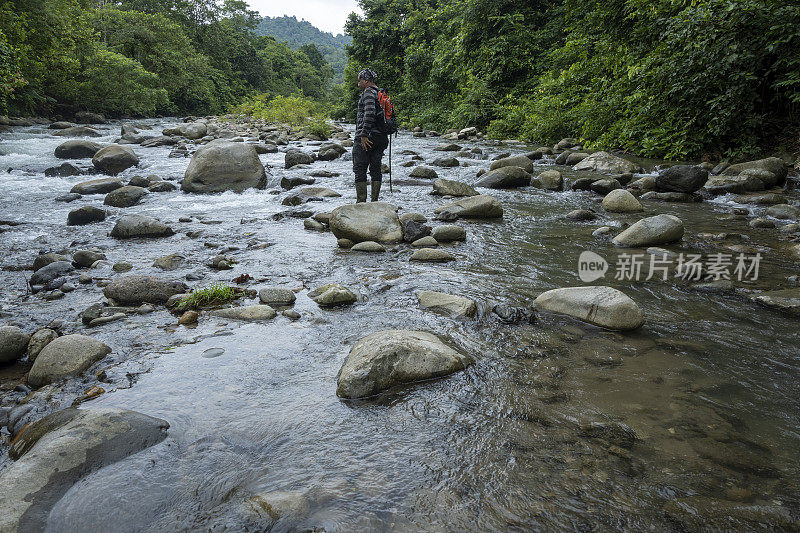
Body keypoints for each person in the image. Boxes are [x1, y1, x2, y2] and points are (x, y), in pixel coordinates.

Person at [353, 68, 389, 202]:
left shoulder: (368, 92)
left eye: (360, 80)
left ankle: (361, 202)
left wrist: (363, 134)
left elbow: (370, 112)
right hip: (381, 137)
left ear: (366, 81)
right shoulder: (380, 93)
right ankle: (374, 201)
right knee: (375, 168)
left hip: (367, 137)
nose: (358, 83)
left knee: (359, 168)